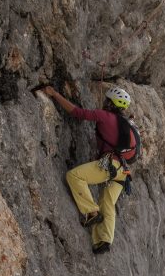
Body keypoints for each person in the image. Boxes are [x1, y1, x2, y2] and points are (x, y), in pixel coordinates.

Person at [41, 85, 134, 254]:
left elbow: (78, 112)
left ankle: (91, 212)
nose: (104, 102)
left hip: (110, 165)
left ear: (111, 103)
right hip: (123, 171)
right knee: (108, 203)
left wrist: (55, 94)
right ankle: (104, 240)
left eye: (107, 100)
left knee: (74, 176)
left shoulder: (105, 116)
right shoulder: (126, 124)